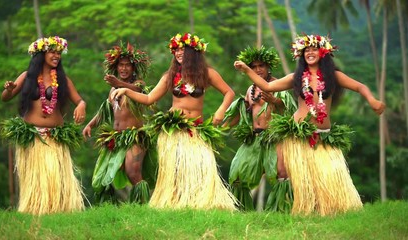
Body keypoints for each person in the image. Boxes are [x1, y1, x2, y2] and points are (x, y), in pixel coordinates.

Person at [234, 34, 385, 216]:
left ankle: (332, 208)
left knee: (330, 175)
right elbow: (267, 87)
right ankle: (299, 209)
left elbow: (360, 86)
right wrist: (246, 70)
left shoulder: (334, 76)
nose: (310, 52)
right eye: (306, 50)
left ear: (323, 52)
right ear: (302, 54)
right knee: (300, 179)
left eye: (314, 49)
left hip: (323, 134)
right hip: (298, 135)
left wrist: (372, 100)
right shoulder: (295, 77)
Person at [111, 32, 238, 210]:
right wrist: (126, 90)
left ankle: (201, 201)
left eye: (182, 49)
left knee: (200, 167)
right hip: (173, 129)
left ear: (193, 52)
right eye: (176, 50)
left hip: (195, 129)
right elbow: (149, 99)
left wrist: (220, 111)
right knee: (176, 169)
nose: (178, 53)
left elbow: (229, 92)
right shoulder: (170, 76)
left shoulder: (207, 74)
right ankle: (175, 202)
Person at [0, 36, 87, 215]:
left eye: (59, 53)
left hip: (56, 138)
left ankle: (59, 208)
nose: (57, 55)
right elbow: (5, 97)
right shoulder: (27, 76)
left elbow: (79, 100)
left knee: (55, 178)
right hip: (34, 138)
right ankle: (36, 208)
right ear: (41, 54)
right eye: (52, 52)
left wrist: (82, 106)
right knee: (38, 179)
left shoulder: (62, 79)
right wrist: (9, 89)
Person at [82, 42, 156, 204]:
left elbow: (139, 92)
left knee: (133, 172)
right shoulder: (112, 90)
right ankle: (108, 205)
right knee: (106, 175)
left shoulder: (138, 85)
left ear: (133, 68)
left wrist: (119, 84)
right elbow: (105, 111)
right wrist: (90, 125)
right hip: (116, 138)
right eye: (121, 65)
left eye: (127, 65)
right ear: (116, 67)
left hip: (135, 137)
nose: (124, 69)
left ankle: (144, 205)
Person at [224, 46, 296, 211]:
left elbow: (287, 111)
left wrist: (274, 101)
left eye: (261, 66)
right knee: (238, 174)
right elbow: (244, 113)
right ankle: (240, 210)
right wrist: (222, 128)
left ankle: (282, 211)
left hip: (274, 138)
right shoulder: (251, 90)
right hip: (254, 138)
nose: (257, 70)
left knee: (281, 174)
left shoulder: (278, 86)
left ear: (268, 67)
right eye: (254, 67)